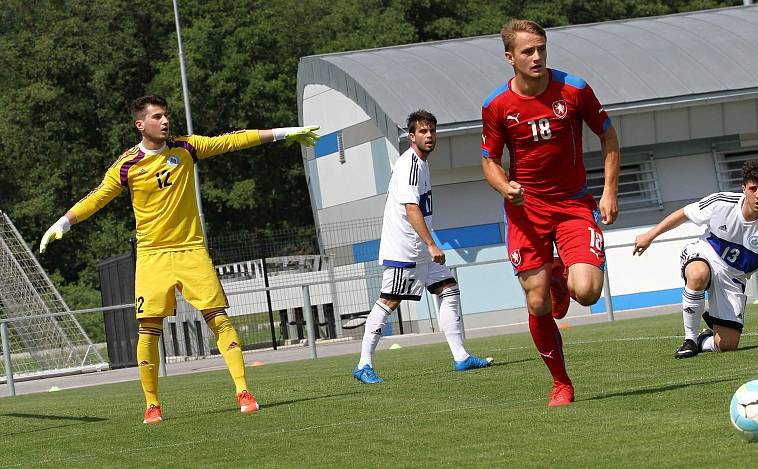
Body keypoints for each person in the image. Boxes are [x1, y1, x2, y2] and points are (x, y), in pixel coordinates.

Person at [39, 94, 320, 424]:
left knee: (218, 317)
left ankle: (243, 391)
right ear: (140, 124)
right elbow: (98, 197)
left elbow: (234, 140)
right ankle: (151, 405)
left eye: (166, 116)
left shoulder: (186, 148)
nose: (165, 121)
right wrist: (64, 222)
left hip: (191, 251)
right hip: (152, 256)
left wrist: (286, 132)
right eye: (157, 117)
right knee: (148, 328)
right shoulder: (127, 165)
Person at [481, 19, 620, 406]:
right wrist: (504, 185)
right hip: (526, 211)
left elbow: (608, 136)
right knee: (538, 301)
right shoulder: (497, 105)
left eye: (541, 48)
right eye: (528, 51)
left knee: (589, 292)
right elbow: (489, 161)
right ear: (510, 57)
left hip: (574, 204)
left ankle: (562, 277)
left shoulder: (574, 89)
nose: (537, 56)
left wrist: (609, 192)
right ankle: (561, 383)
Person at [353, 110, 493, 384]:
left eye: (432, 131)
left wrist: (428, 244)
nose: (429, 136)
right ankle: (363, 364)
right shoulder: (410, 165)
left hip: (420, 249)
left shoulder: (423, 163)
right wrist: (431, 243)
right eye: (423, 131)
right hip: (405, 248)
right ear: (411, 136)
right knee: (389, 301)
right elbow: (410, 207)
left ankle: (461, 357)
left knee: (448, 288)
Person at [633, 159, 758, 358]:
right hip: (705, 255)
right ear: (743, 188)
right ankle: (690, 340)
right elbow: (684, 213)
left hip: (733, 279)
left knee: (727, 345)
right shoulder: (721, 203)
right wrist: (649, 236)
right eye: (753, 188)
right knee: (697, 274)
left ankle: (704, 339)